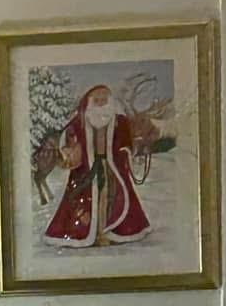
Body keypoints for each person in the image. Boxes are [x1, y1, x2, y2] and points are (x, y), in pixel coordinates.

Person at [41, 82, 152, 247]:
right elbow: (68, 140)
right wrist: (69, 150)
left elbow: (127, 142)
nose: (100, 102)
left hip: (112, 169)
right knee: (85, 200)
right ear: (89, 101)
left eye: (104, 99)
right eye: (97, 99)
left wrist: (127, 152)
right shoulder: (79, 122)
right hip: (86, 170)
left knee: (112, 198)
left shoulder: (120, 122)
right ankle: (92, 233)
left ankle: (108, 232)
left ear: (110, 101)